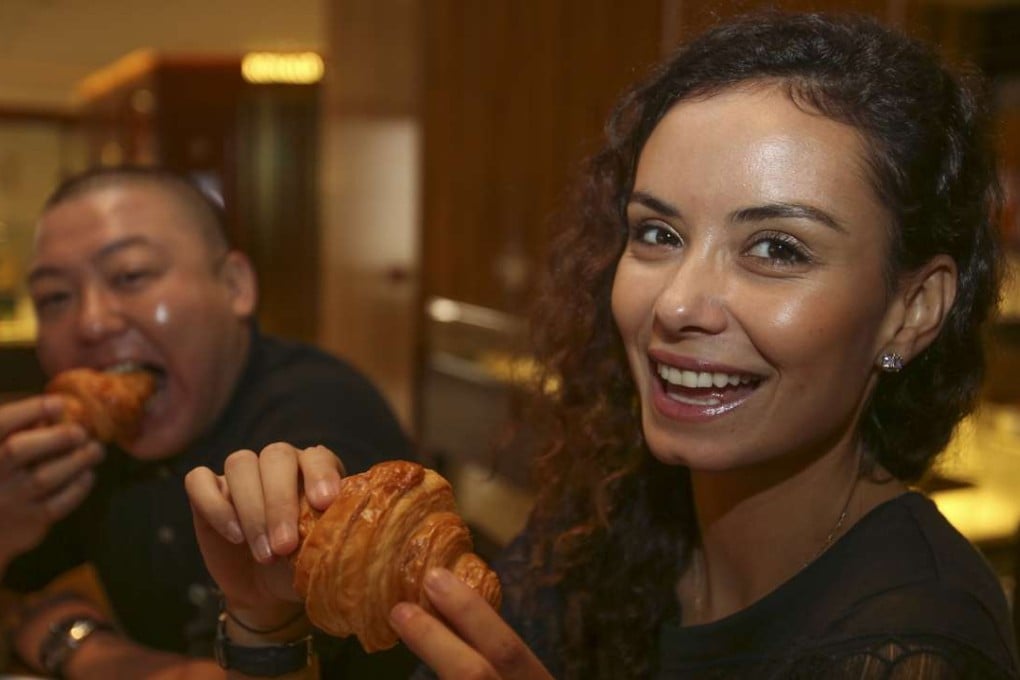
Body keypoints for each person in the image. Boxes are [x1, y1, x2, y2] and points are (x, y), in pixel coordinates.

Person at [185, 10, 1020, 680]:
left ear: (911, 310)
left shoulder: (912, 646)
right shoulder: (608, 526)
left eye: (776, 249)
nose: (678, 303)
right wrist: (269, 618)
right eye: (657, 232)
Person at [0, 166, 419, 678]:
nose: (90, 322)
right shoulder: (91, 446)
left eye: (130, 276)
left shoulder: (317, 416)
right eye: (54, 298)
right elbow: (19, 600)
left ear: (234, 286)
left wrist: (77, 645)